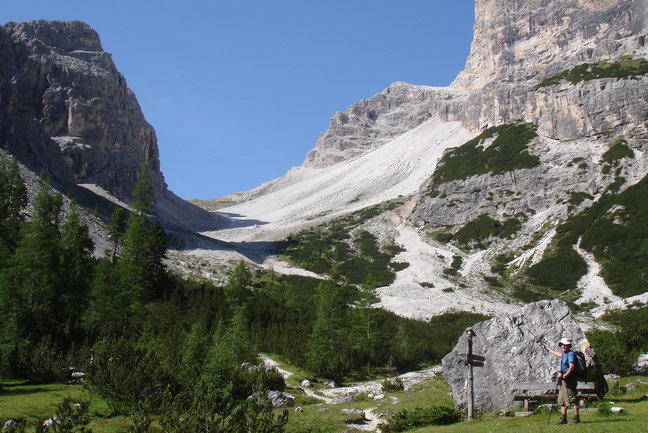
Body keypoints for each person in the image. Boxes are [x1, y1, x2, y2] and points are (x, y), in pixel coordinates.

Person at [547, 338, 580, 424]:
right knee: (562, 399)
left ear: (569, 346)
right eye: (562, 345)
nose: (563, 346)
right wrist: (550, 351)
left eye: (565, 345)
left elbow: (571, 366)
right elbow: (559, 354)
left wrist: (565, 375)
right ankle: (563, 419)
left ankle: (576, 418)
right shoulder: (565, 354)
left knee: (572, 398)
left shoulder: (571, 354)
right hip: (564, 379)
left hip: (569, 379)